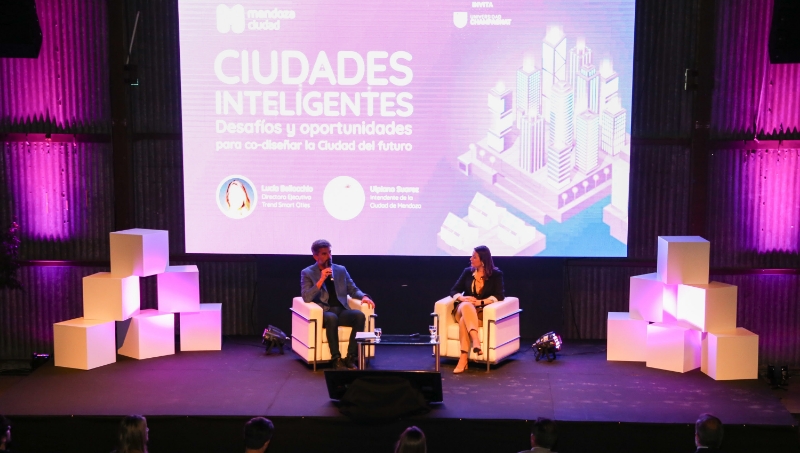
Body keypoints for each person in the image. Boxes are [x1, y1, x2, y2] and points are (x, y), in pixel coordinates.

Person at [300, 239, 375, 370]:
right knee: (331, 318)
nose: (329, 256)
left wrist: (364, 296)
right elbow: (306, 297)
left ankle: (350, 357)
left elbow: (352, 289)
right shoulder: (307, 272)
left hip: (341, 310)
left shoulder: (340, 270)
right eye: (324, 254)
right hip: (324, 312)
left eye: (330, 252)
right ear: (315, 256)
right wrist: (321, 279)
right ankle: (336, 359)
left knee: (359, 316)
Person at [448, 245, 504, 373]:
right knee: (467, 305)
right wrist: (463, 298)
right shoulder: (467, 272)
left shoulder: (496, 275)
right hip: (462, 309)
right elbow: (454, 290)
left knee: (464, 321)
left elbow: (499, 295)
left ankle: (463, 359)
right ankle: (476, 341)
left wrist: (480, 302)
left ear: (483, 260)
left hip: (479, 313)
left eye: (474, 257)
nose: (471, 259)